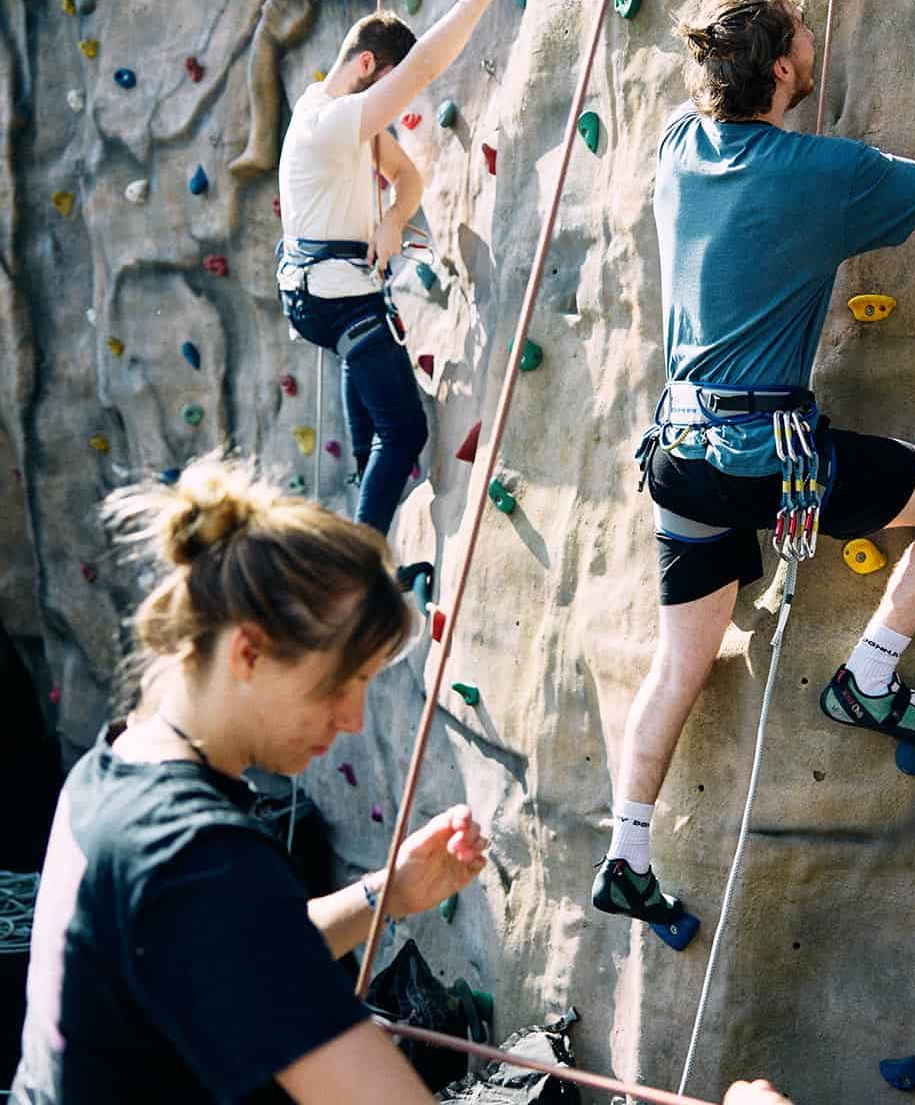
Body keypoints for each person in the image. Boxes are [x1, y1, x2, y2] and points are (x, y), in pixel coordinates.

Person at [10, 454, 796, 1105]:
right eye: (340, 683)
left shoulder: (114, 769)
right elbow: (222, 923)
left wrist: (382, 895)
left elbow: (225, 953)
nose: (353, 718)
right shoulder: (196, 856)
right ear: (248, 652)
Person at [593, 0, 915, 926]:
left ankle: (626, 851)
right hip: (766, 463)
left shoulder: (677, 148)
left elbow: (734, 70)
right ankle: (868, 674)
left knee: (677, 656)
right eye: (800, 38)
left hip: (679, 457)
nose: (812, 46)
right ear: (783, 68)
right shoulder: (822, 174)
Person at [276, 0, 523, 541]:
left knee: (375, 446)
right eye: (385, 91)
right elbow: (419, 73)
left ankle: (364, 511)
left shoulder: (330, 113)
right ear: (366, 65)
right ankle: (360, 559)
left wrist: (392, 221)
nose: (395, 108)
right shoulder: (329, 125)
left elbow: (407, 178)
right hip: (338, 300)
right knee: (404, 432)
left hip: (324, 299)